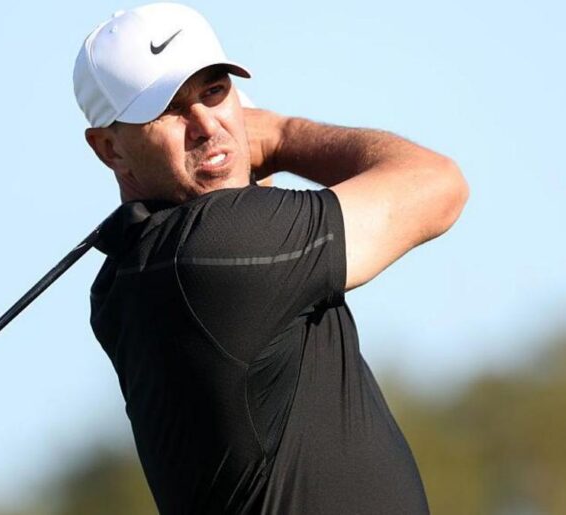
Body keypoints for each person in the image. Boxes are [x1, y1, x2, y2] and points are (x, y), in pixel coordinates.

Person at [73, 3, 468, 514]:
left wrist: (243, 171)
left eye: (214, 91)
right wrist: (282, 134)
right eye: (168, 109)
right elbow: (439, 186)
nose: (205, 125)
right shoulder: (219, 248)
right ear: (110, 148)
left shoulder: (135, 271)